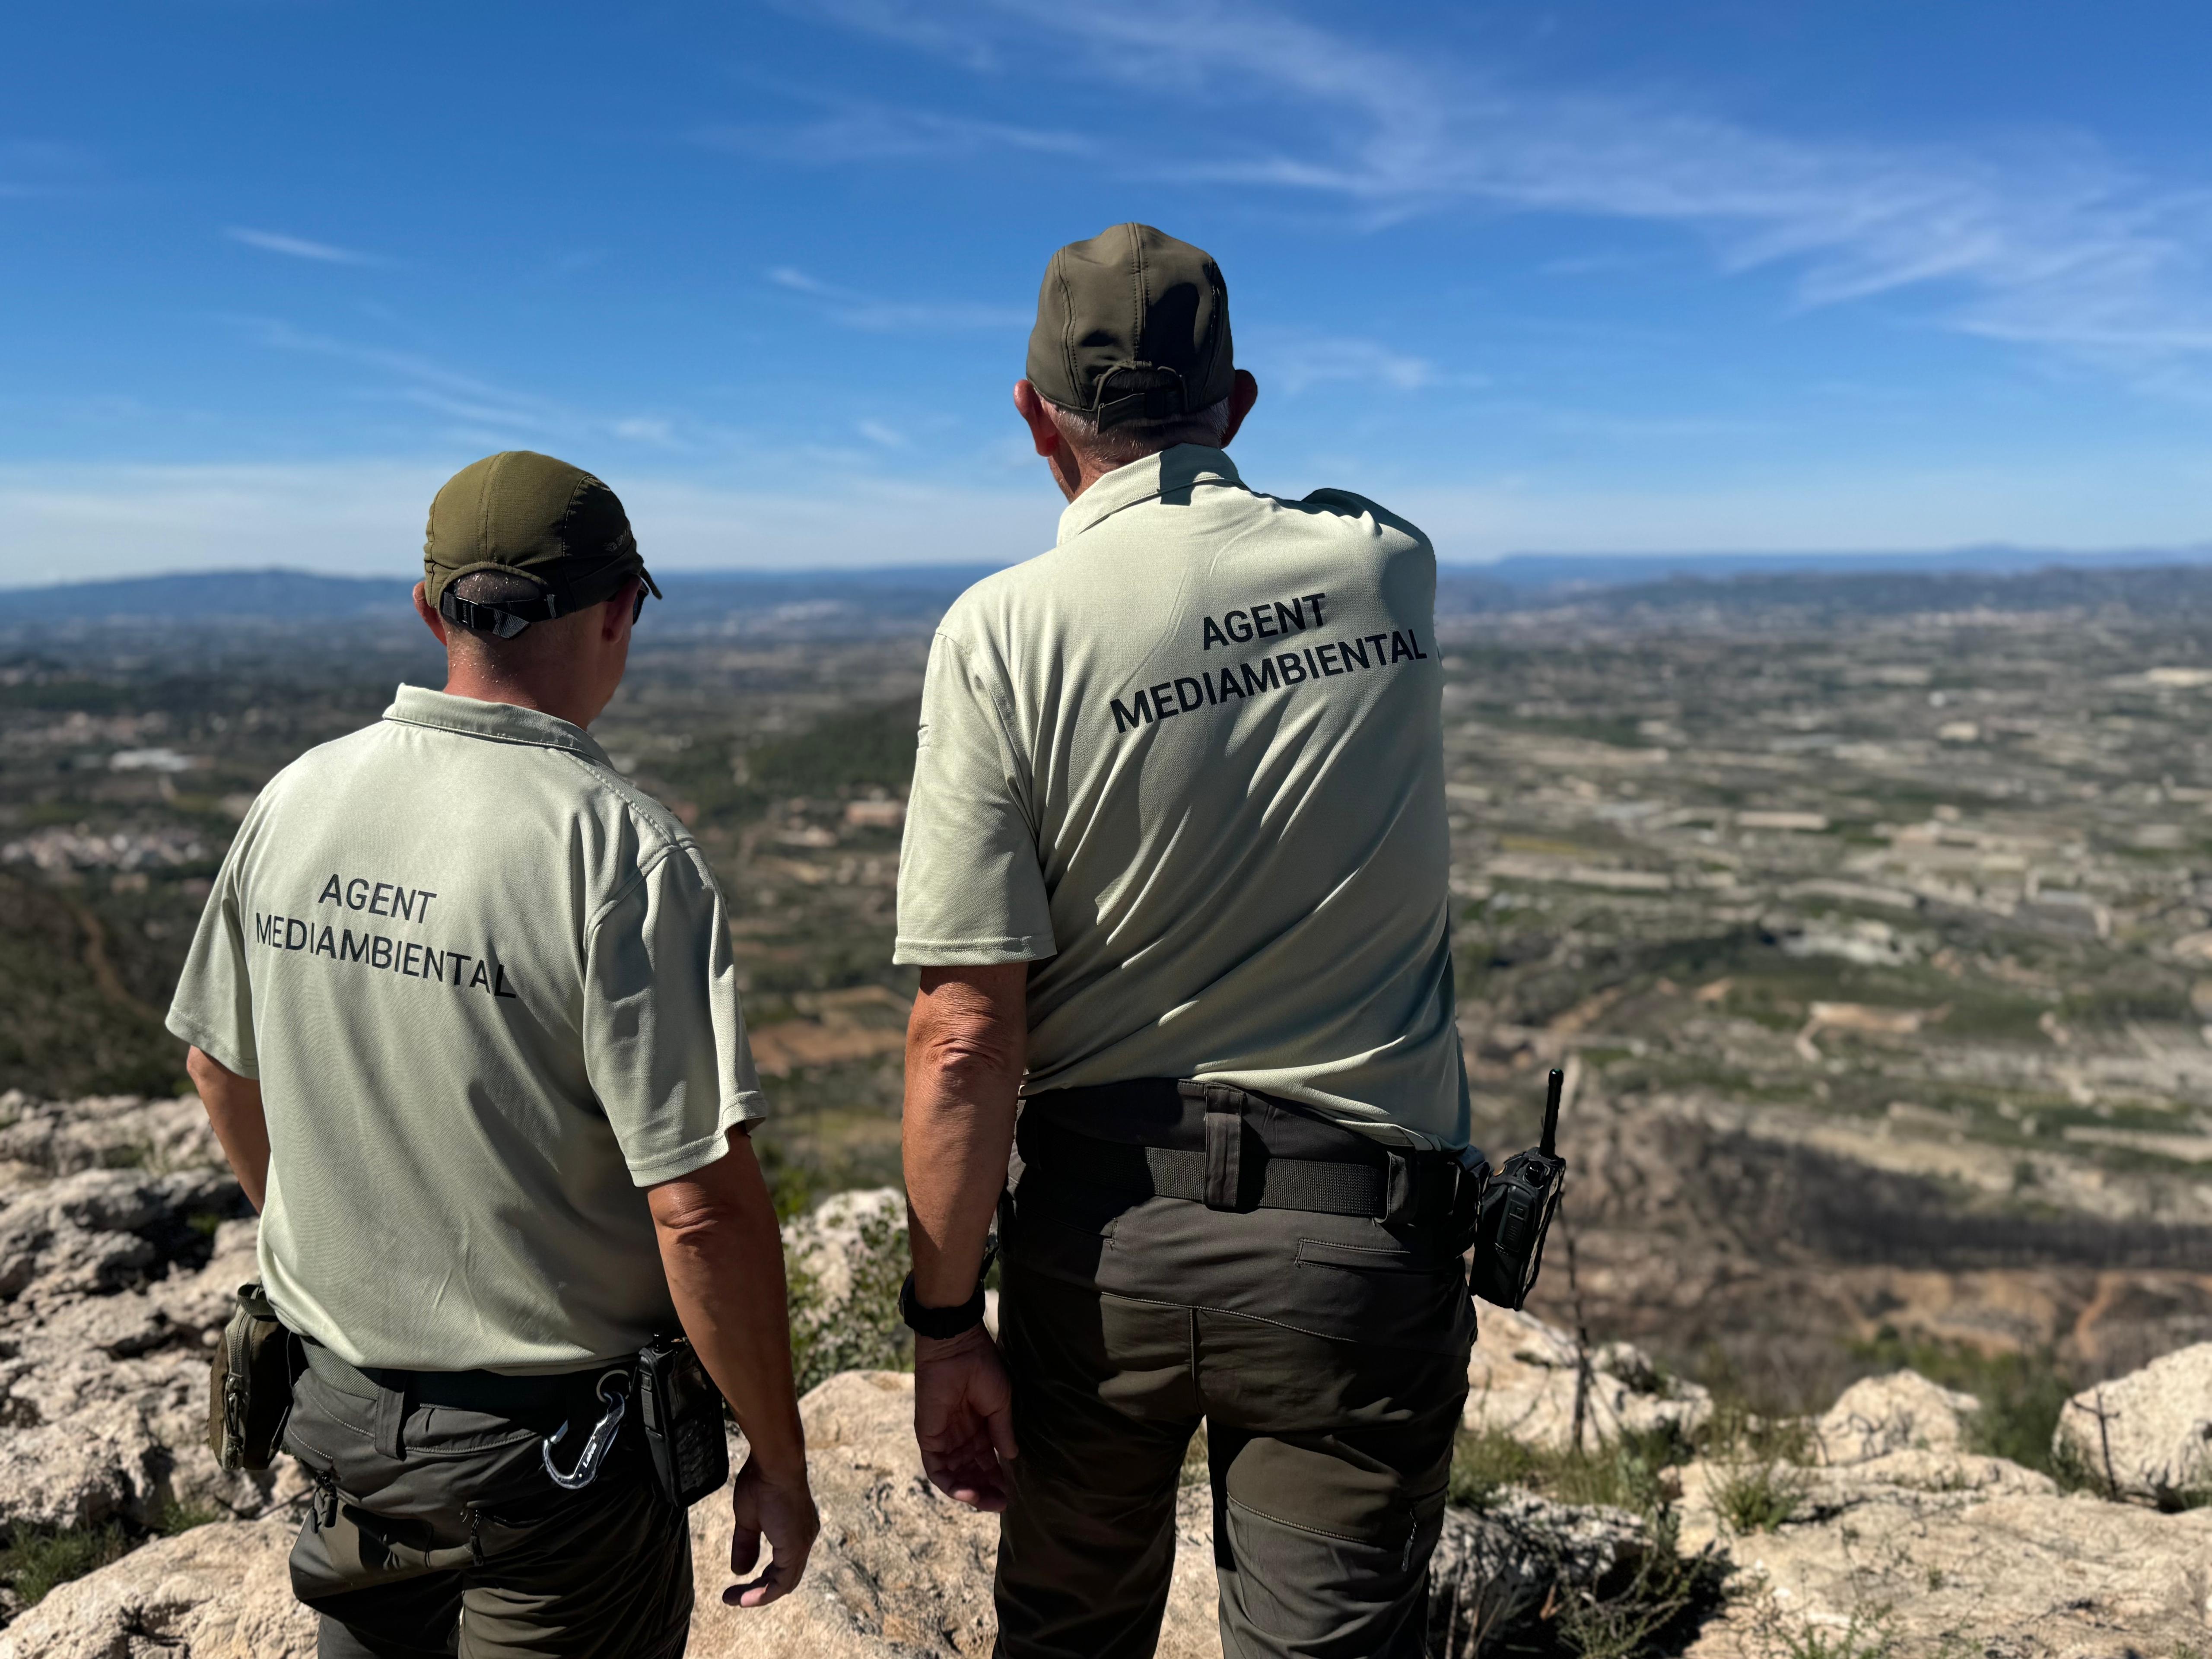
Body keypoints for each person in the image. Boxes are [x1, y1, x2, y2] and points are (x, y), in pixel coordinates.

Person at [895, 225, 1479, 1659]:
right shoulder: (1386, 568)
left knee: (1069, 1632)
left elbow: (967, 1030)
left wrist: (944, 1322)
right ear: (1241, 402)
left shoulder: (999, 634)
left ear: (1033, 416)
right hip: (1359, 1243)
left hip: (1104, 1252)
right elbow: (1323, 521)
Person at [166, 449, 818, 1658]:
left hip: (341, 1418)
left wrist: (329, 1237)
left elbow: (218, 1065)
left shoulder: (295, 799)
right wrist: (777, 1459)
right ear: (621, 612)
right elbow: (700, 1214)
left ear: (429, 611)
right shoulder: (622, 857)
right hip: (550, 1470)